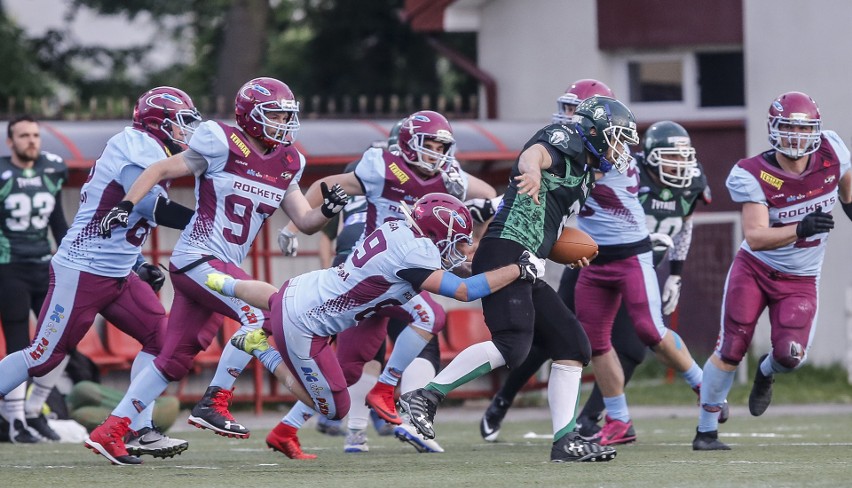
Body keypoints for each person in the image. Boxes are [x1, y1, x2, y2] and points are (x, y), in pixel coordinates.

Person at [85, 76, 349, 465]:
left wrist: (327, 211)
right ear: (251, 116)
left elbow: (305, 222)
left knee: (173, 359)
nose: (284, 123)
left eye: (287, 115)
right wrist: (126, 204)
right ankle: (215, 400)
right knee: (263, 314)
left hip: (214, 265)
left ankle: (112, 429)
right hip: (199, 260)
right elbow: (158, 170)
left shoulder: (289, 160)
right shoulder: (220, 139)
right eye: (275, 114)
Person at [400, 95, 640, 463]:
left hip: (528, 257)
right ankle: (427, 394)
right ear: (594, 131)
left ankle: (565, 441)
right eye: (617, 138)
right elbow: (537, 154)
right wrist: (530, 170)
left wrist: (566, 249)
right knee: (513, 344)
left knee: (574, 344)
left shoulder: (589, 171)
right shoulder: (567, 137)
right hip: (506, 249)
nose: (621, 148)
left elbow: (551, 220)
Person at [216, 193, 544, 458]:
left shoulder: (397, 228)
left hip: (303, 288)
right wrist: (518, 268)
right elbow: (464, 291)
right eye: (457, 242)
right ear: (435, 234)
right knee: (333, 408)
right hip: (306, 326)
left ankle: (222, 282)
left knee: (275, 298)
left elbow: (438, 272)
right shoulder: (417, 255)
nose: (462, 249)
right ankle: (261, 348)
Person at [272, 111, 496, 457]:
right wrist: (295, 225)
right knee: (429, 318)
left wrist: (477, 225)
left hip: (404, 274)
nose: (436, 153)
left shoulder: (450, 177)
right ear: (406, 145)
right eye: (430, 144)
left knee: (350, 367)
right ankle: (385, 394)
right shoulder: (381, 167)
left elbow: (488, 194)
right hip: (381, 270)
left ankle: (288, 428)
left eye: (442, 146)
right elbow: (327, 185)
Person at [480, 118, 719, 442]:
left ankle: (706, 386)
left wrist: (675, 271)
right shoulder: (579, 161)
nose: (622, 150)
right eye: (618, 140)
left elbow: (685, 216)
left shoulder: (628, 165)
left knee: (649, 331)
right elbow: (537, 168)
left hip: (632, 255)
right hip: (592, 261)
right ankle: (618, 419)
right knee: (595, 343)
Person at [0, 87, 201, 456]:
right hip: (83, 270)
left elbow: (125, 216)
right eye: (181, 122)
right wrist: (207, 223)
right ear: (158, 123)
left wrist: (139, 262)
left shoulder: (155, 150)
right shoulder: (136, 144)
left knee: (161, 341)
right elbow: (150, 205)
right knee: (43, 356)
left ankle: (141, 430)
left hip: (119, 273)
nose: (187, 131)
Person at [693, 91, 852, 451]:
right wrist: (801, 228)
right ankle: (706, 431)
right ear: (774, 129)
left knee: (790, 356)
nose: (796, 137)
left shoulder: (834, 152)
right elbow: (756, 236)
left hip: (800, 278)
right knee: (731, 346)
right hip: (756, 269)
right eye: (789, 128)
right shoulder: (753, 173)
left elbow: (847, 189)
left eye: (803, 129)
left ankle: (765, 372)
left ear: (816, 130)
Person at [0, 115, 69, 443]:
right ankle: (14, 422)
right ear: (10, 141)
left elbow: (58, 221)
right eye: (23, 135)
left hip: (46, 267)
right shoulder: (2, 173)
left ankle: (34, 410)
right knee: (19, 344)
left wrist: (70, 257)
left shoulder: (53, 169)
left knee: (61, 339)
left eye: (35, 135)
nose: (31, 140)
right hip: (9, 266)